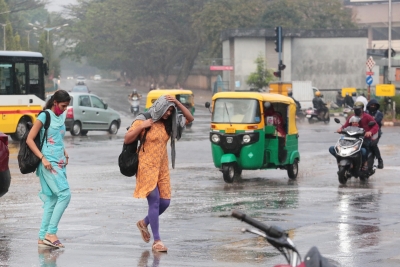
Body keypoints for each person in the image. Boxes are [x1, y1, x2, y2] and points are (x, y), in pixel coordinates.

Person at [124, 95, 194, 252]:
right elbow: (127, 138)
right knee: (154, 200)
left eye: (170, 111)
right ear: (159, 107)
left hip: (162, 166)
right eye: (167, 110)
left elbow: (190, 117)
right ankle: (157, 241)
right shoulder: (143, 119)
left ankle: (144, 222)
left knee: (165, 202)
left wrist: (176, 103)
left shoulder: (169, 123)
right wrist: (142, 126)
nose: (168, 114)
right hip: (146, 165)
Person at [26, 90, 71, 248]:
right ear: (55, 103)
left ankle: (42, 237)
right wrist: (42, 158)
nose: (65, 109)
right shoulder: (45, 116)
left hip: (59, 162)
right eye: (63, 106)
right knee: (65, 195)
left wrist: (64, 151)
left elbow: (56, 138)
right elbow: (29, 139)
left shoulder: (61, 116)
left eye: (66, 106)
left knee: (52, 199)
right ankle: (51, 233)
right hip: (48, 163)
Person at [329, 101, 379, 170]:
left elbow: (375, 126)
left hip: (363, 138)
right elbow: (345, 126)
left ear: (362, 109)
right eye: (355, 109)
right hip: (351, 139)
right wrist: (340, 129)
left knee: (364, 150)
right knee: (333, 148)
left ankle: (365, 163)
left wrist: (370, 132)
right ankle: (340, 160)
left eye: (358, 109)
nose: (356, 110)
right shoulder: (351, 117)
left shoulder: (367, 117)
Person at [366, 99, 384, 169]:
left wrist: (372, 121)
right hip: (366, 131)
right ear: (369, 105)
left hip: (376, 132)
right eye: (371, 105)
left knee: (373, 144)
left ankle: (380, 160)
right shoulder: (365, 113)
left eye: (374, 105)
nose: (373, 106)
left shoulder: (379, 114)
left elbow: (377, 121)